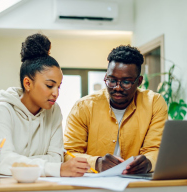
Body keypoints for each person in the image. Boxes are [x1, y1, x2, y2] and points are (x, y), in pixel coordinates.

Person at [0, 33, 89, 177]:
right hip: (6, 189)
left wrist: (18, 160)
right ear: (27, 83)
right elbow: (0, 160)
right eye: (50, 85)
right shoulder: (3, 110)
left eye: (59, 86)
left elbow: (56, 158)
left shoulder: (54, 111)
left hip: (42, 187)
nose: (56, 93)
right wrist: (52, 167)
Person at [64, 45, 168, 174]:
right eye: (112, 80)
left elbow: (157, 149)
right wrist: (97, 163)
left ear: (139, 81)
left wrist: (148, 162)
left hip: (136, 183)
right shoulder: (84, 106)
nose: (117, 88)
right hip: (94, 183)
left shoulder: (154, 104)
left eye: (126, 82)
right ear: (105, 77)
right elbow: (69, 153)